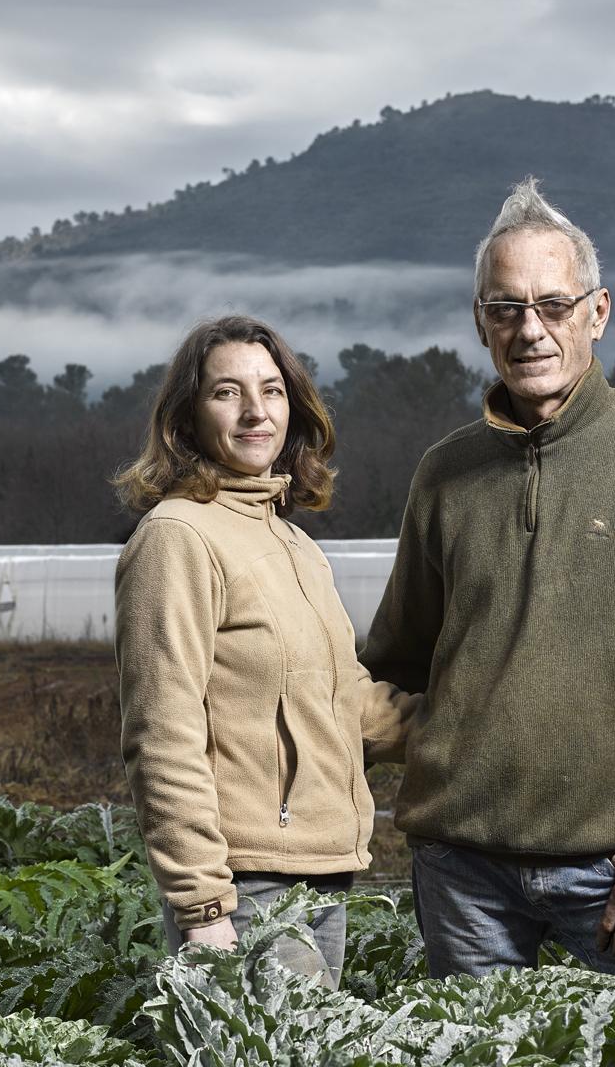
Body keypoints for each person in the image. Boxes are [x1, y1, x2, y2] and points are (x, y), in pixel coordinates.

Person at [361, 179, 615, 1003]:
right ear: (480, 321)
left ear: (597, 311)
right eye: (505, 308)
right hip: (462, 869)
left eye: (552, 303)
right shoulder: (444, 473)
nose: (529, 329)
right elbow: (395, 660)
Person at [113, 314, 416, 987]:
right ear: (186, 416)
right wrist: (202, 904)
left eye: (272, 390)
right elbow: (162, 730)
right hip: (245, 884)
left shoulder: (293, 545)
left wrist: (474, 718)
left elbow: (345, 704)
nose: (255, 411)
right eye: (227, 392)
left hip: (321, 871)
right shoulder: (178, 537)